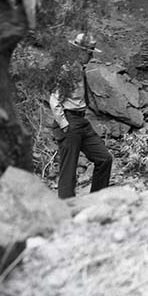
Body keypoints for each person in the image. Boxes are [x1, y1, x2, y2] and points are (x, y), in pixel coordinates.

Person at [47, 33, 113, 199]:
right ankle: (66, 208)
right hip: (69, 121)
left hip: (81, 120)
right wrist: (64, 124)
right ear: (79, 51)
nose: (91, 56)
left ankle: (95, 200)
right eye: (89, 52)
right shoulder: (67, 70)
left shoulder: (78, 68)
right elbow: (54, 99)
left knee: (104, 159)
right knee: (68, 168)